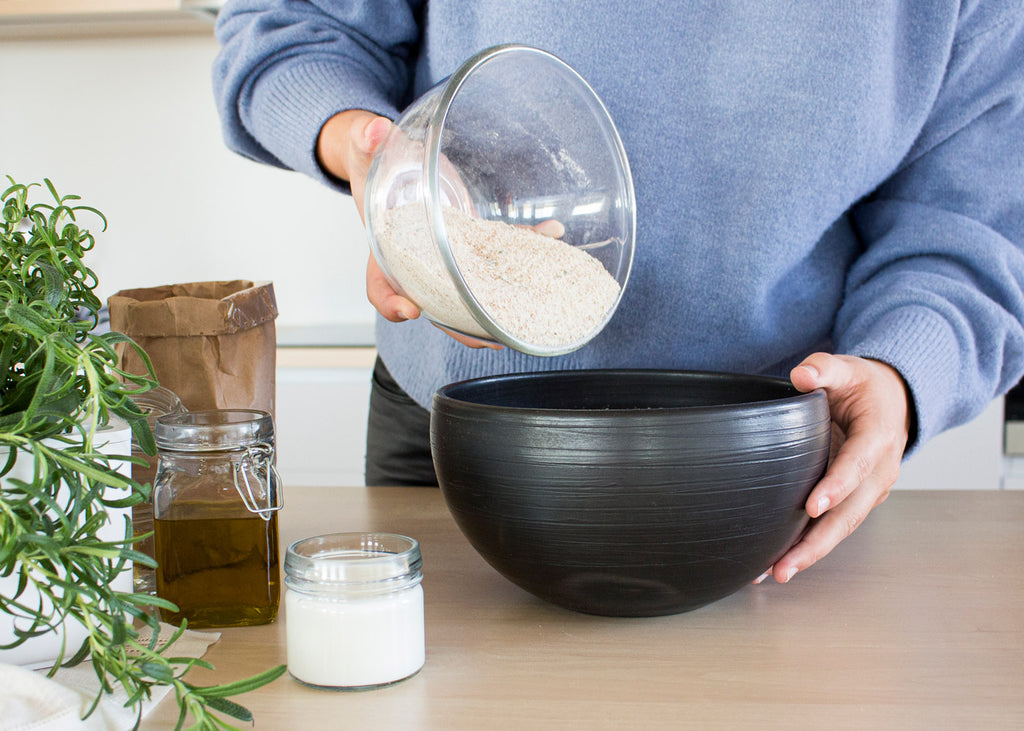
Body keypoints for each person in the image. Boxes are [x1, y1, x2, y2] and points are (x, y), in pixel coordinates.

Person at [212, 1, 1024, 584]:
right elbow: (294, 22)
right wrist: (369, 147)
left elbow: (971, 219)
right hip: (462, 432)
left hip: (767, 465)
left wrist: (904, 371)